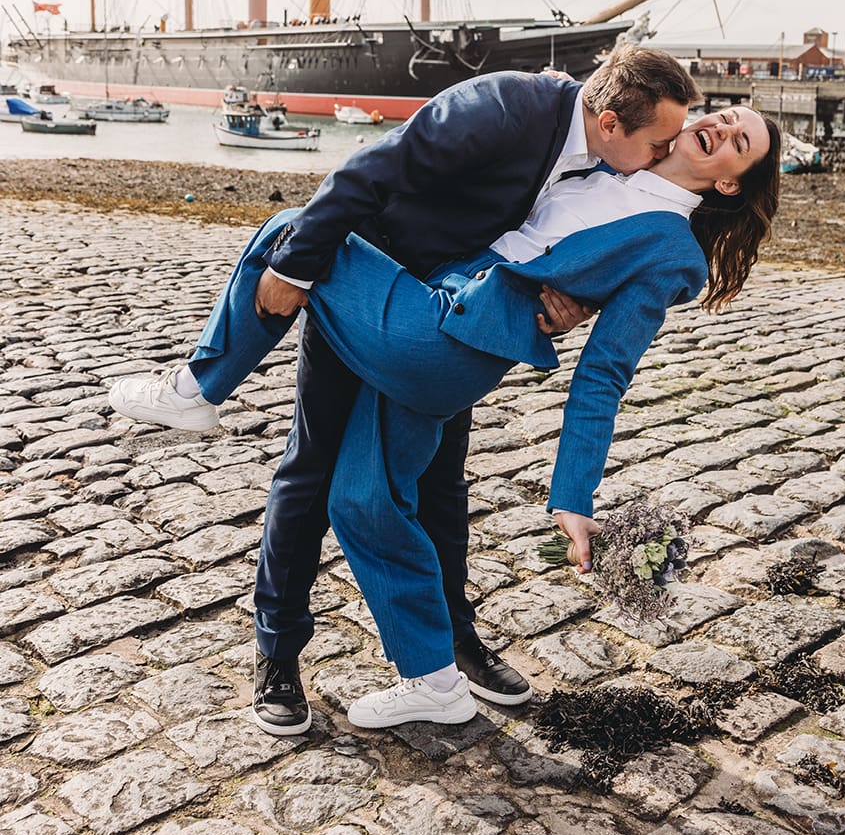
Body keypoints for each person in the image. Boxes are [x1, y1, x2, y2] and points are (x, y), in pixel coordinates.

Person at [111, 99, 780, 734]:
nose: (720, 131)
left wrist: (573, 494)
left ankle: (201, 386)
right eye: (722, 119)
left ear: (729, 184)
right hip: (419, 295)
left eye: (738, 142)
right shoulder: (608, 148)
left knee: (292, 232)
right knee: (359, 496)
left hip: (443, 337)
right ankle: (432, 678)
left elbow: (605, 370)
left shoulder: (672, 254)